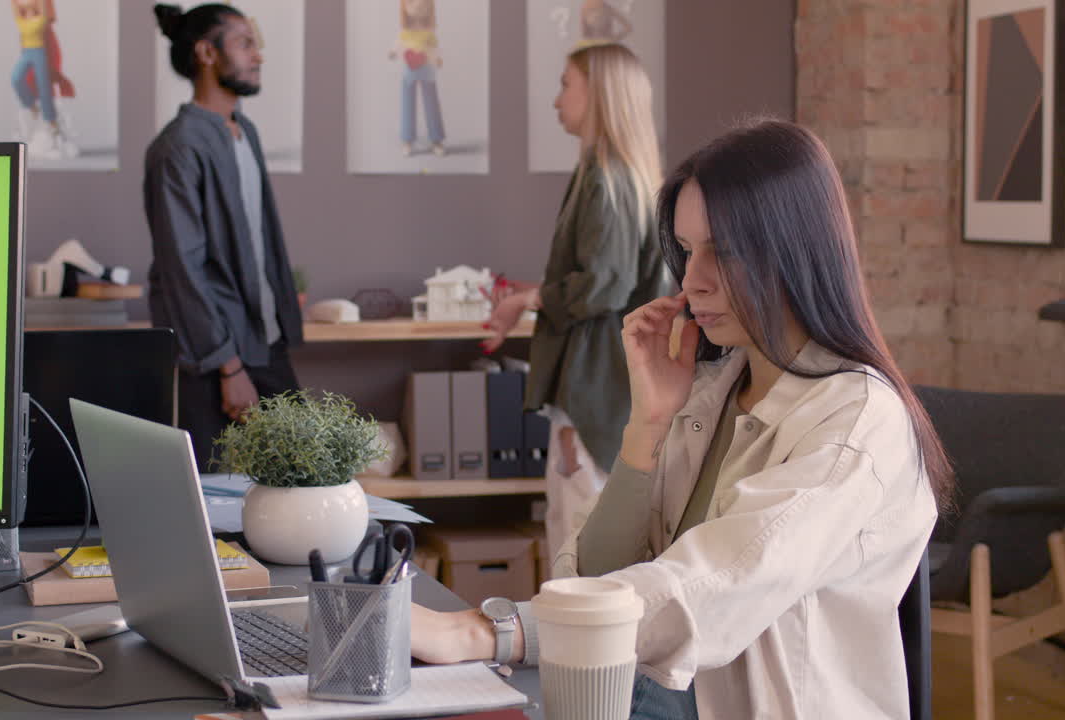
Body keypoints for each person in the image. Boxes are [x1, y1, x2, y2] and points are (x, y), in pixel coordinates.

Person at [413, 119, 953, 720]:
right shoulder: (713, 391)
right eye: (689, 251)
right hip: (647, 689)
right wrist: (648, 422)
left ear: (794, 250)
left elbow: (718, 585)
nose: (692, 281)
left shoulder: (855, 423)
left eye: (723, 252)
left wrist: (484, 632)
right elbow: (600, 572)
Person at [483, 43, 670, 557]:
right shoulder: (612, 177)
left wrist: (531, 299)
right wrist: (530, 297)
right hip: (606, 391)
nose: (556, 99)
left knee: (578, 548)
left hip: (596, 393)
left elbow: (603, 286)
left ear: (600, 94)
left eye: (566, 84)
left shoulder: (607, 182)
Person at [146, 3, 304, 472]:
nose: (259, 56)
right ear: (206, 53)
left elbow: (256, 240)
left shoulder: (244, 132)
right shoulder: (179, 146)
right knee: (218, 506)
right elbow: (182, 268)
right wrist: (228, 367)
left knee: (300, 483)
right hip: (215, 358)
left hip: (265, 343)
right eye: (245, 43)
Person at [9, 0, 77, 159]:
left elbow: (42, 7)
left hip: (39, 52)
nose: (29, 10)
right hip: (27, 54)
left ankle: (52, 123)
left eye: (32, 8)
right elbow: (15, 6)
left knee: (44, 88)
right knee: (16, 78)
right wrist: (20, 5)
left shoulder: (41, 21)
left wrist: (35, 6)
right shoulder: (21, 20)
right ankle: (32, 106)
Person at [390, 0, 446, 157]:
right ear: (404, 6)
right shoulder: (406, 32)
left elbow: (435, 48)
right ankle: (407, 139)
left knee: (431, 104)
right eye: (412, 2)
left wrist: (437, 58)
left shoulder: (429, 32)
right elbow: (399, 43)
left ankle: (437, 139)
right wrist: (393, 52)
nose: (418, 6)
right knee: (407, 104)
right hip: (409, 71)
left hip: (427, 70)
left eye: (424, 3)